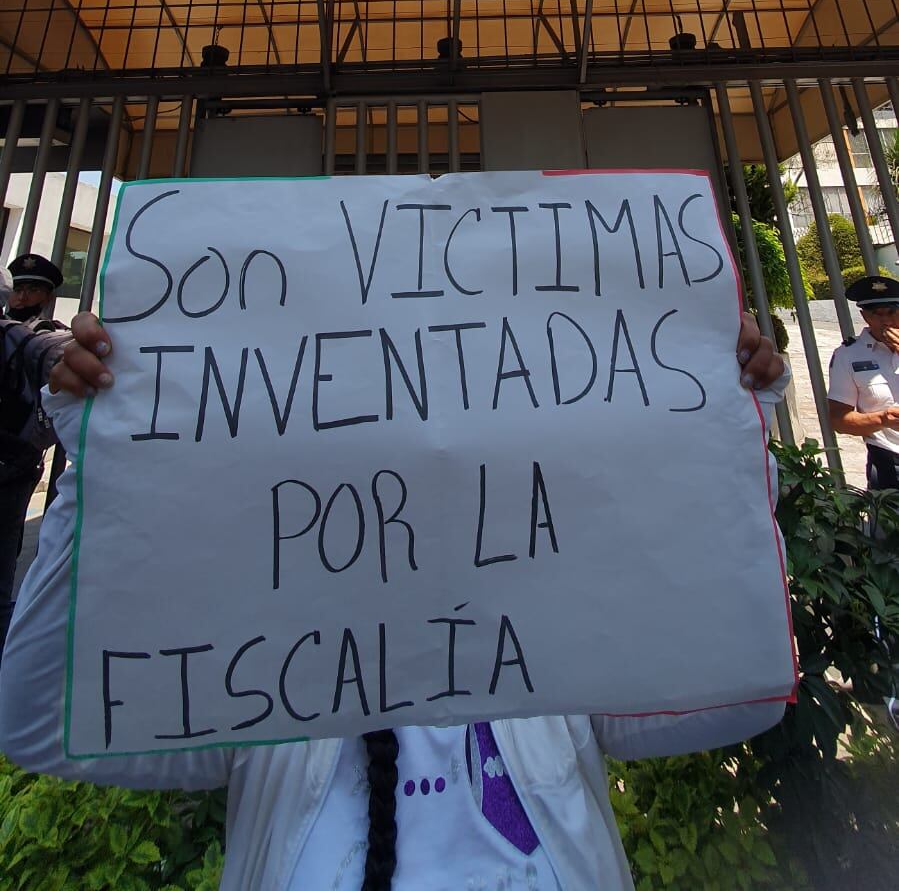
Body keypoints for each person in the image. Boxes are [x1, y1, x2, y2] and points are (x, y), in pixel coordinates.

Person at [0, 312, 789, 891]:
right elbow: (38, 720)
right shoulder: (256, 685)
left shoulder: (552, 661)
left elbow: (745, 688)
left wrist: (730, 423)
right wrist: (95, 470)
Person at [0, 278, 69, 657]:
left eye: (31, 290)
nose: (21, 297)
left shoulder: (23, 335)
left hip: (10, 471)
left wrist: (76, 356)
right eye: (18, 289)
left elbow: (54, 349)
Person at [828, 273, 899, 491]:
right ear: (864, 316)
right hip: (889, 460)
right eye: (876, 314)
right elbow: (840, 420)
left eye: (892, 312)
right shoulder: (848, 355)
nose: (886, 320)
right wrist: (883, 418)